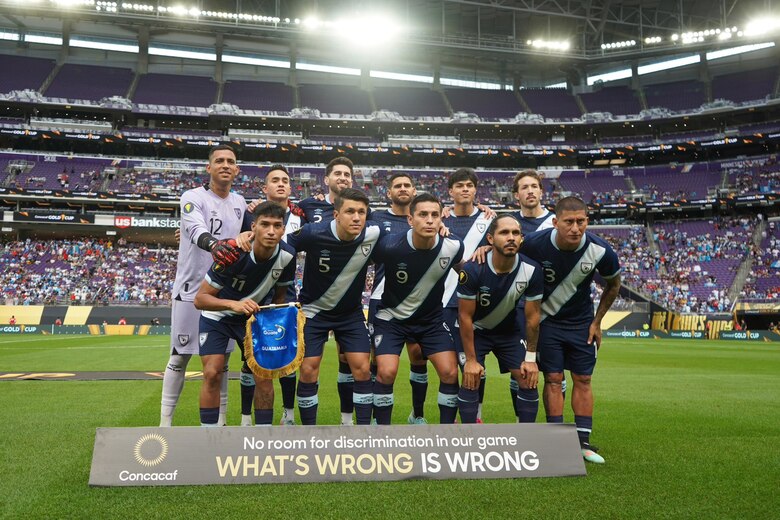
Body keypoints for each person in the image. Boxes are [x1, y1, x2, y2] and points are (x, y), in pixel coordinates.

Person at [521, 196, 621, 463]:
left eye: (581, 221)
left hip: (581, 324)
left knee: (584, 380)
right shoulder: (534, 244)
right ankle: (556, 442)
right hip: (548, 323)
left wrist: (597, 321)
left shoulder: (601, 250)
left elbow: (613, 285)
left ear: (587, 221)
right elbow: (506, 254)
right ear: (555, 222)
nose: (575, 228)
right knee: (553, 379)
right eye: (569, 222)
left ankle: (582, 443)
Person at [159, 144, 249, 427]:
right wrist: (214, 245)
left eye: (230, 161)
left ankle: (219, 425)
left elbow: (251, 234)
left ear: (236, 170)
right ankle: (165, 425)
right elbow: (196, 228)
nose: (225, 165)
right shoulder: (192, 197)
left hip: (222, 293)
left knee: (219, 364)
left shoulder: (241, 202)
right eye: (219, 161)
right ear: (208, 168)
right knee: (179, 357)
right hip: (190, 290)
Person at [194, 201, 296, 427]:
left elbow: (280, 299)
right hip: (218, 317)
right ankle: (208, 435)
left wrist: (277, 329)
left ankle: (262, 438)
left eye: (277, 225)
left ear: (283, 229)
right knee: (212, 372)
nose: (271, 231)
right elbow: (200, 299)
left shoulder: (288, 256)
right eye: (265, 225)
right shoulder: (234, 253)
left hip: (253, 318)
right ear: (254, 227)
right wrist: (233, 305)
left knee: (264, 376)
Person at [286, 188, 379, 425]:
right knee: (308, 370)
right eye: (350, 211)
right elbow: (283, 248)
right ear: (336, 214)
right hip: (313, 312)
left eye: (361, 212)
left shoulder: (373, 234)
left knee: (362, 370)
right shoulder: (313, 233)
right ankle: (308, 432)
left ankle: (357, 430)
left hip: (350, 314)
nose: (356, 217)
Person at [371, 193, 464, 424]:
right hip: (391, 319)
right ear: (411, 220)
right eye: (423, 215)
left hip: (430, 321)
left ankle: (446, 434)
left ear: (442, 218)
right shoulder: (390, 245)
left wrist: (483, 256)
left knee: (450, 372)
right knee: (386, 371)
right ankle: (380, 430)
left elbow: (468, 276)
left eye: (435, 215)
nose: (430, 220)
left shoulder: (453, 246)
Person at [457, 214, 543, 423]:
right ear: (490, 239)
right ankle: (469, 436)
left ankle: (526, 436)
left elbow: (532, 318)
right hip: (476, 331)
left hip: (509, 332)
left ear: (522, 239)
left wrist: (531, 359)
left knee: (527, 377)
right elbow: (465, 316)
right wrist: (470, 360)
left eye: (516, 233)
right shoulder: (472, 269)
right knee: (472, 376)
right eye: (504, 232)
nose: (511, 237)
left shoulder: (532, 270)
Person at [237, 164, 305, 426]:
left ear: (290, 187)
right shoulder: (249, 214)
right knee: (249, 361)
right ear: (264, 188)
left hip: (284, 295)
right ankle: (245, 418)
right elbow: (235, 241)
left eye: (284, 180)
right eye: (274, 180)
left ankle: (288, 414)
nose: (280, 184)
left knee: (287, 356)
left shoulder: (302, 215)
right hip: (253, 296)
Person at [368, 172, 430, 424]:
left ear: (414, 191)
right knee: (378, 361)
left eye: (407, 185)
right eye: (397, 186)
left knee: (418, 356)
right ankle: (376, 418)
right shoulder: (375, 219)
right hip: (381, 298)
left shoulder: (426, 217)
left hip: (418, 300)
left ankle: (417, 414)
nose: (403, 189)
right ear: (389, 192)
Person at [506, 168, 562, 418]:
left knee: (554, 372)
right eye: (524, 187)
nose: (530, 191)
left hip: (550, 306)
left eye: (534, 186)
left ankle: (555, 430)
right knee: (520, 370)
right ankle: (523, 427)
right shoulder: (507, 224)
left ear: (541, 191)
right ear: (516, 195)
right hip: (517, 304)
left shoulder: (556, 221)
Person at [441, 167, 493, 422]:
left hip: (477, 303)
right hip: (444, 301)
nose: (464, 189)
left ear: (475, 190)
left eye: (469, 185)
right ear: (450, 191)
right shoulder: (440, 219)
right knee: (448, 369)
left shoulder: (489, 220)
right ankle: (445, 420)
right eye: (459, 185)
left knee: (473, 365)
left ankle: (476, 418)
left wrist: (489, 245)